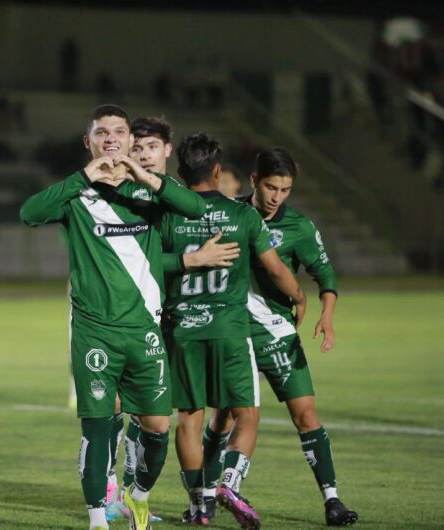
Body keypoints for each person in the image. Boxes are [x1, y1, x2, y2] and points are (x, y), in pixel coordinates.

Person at [20, 104, 205, 530]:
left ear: (129, 140)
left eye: (119, 132)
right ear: (89, 141)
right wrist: (83, 177)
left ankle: (136, 496)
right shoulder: (76, 195)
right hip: (95, 333)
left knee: (157, 426)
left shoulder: (150, 193)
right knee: (98, 427)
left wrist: (145, 176)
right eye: (102, 133)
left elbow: (195, 207)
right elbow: (29, 213)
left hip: (144, 330)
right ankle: (97, 521)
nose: (111, 139)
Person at [196, 148, 359, 526]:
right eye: (271, 187)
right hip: (232, 331)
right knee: (225, 416)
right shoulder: (230, 214)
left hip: (277, 333)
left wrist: (327, 316)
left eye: (285, 190)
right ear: (254, 181)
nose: (276, 197)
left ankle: (333, 501)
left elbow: (325, 275)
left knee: (306, 414)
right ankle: (206, 497)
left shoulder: (299, 226)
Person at [160, 135, 306, 528]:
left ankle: (200, 507)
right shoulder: (242, 215)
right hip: (230, 329)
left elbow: (151, 262)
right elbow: (275, 269)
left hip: (184, 329)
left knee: (189, 419)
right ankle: (229, 483)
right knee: (247, 415)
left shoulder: (168, 215)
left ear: (180, 173)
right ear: (217, 171)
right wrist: (298, 295)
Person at [104, 115, 176, 524]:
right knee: (115, 405)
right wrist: (190, 260)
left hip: (170, 316)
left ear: (168, 150)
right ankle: (110, 490)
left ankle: (135, 491)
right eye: (138, 148)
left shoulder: (172, 195)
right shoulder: (122, 194)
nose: (145, 155)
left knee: (155, 417)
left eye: (152, 147)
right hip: (124, 316)